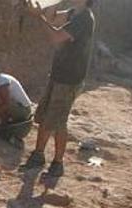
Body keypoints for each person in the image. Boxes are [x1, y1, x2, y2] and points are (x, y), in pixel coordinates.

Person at [24, 0, 96, 177]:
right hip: (60, 74)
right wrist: (48, 5)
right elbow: (53, 18)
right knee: (49, 116)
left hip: (69, 78)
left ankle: (53, 161)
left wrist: (38, 17)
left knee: (55, 120)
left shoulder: (84, 19)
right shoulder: (75, 13)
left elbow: (56, 36)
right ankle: (42, 157)